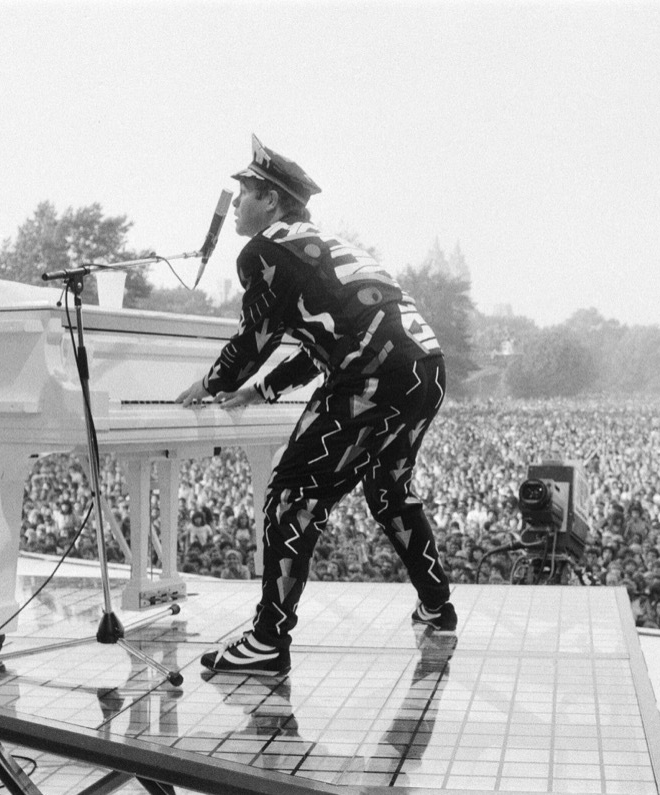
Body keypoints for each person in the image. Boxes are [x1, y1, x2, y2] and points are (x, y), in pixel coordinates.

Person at [178, 135, 454, 675]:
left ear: (273, 201)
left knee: (292, 493)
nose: (236, 203)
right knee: (389, 487)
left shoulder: (265, 251)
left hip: (372, 375)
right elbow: (320, 342)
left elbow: (252, 340)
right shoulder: (322, 246)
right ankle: (437, 605)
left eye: (246, 192)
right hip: (425, 368)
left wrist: (208, 383)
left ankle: (267, 639)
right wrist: (260, 390)